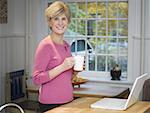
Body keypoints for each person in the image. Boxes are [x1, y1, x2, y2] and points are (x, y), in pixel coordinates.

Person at [32, 1, 78, 112]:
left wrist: (75, 71)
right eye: (56, 19)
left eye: (63, 19)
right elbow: (37, 79)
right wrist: (62, 67)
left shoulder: (66, 46)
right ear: (50, 22)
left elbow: (66, 78)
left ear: (68, 21)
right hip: (50, 105)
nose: (60, 23)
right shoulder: (45, 45)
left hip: (68, 102)